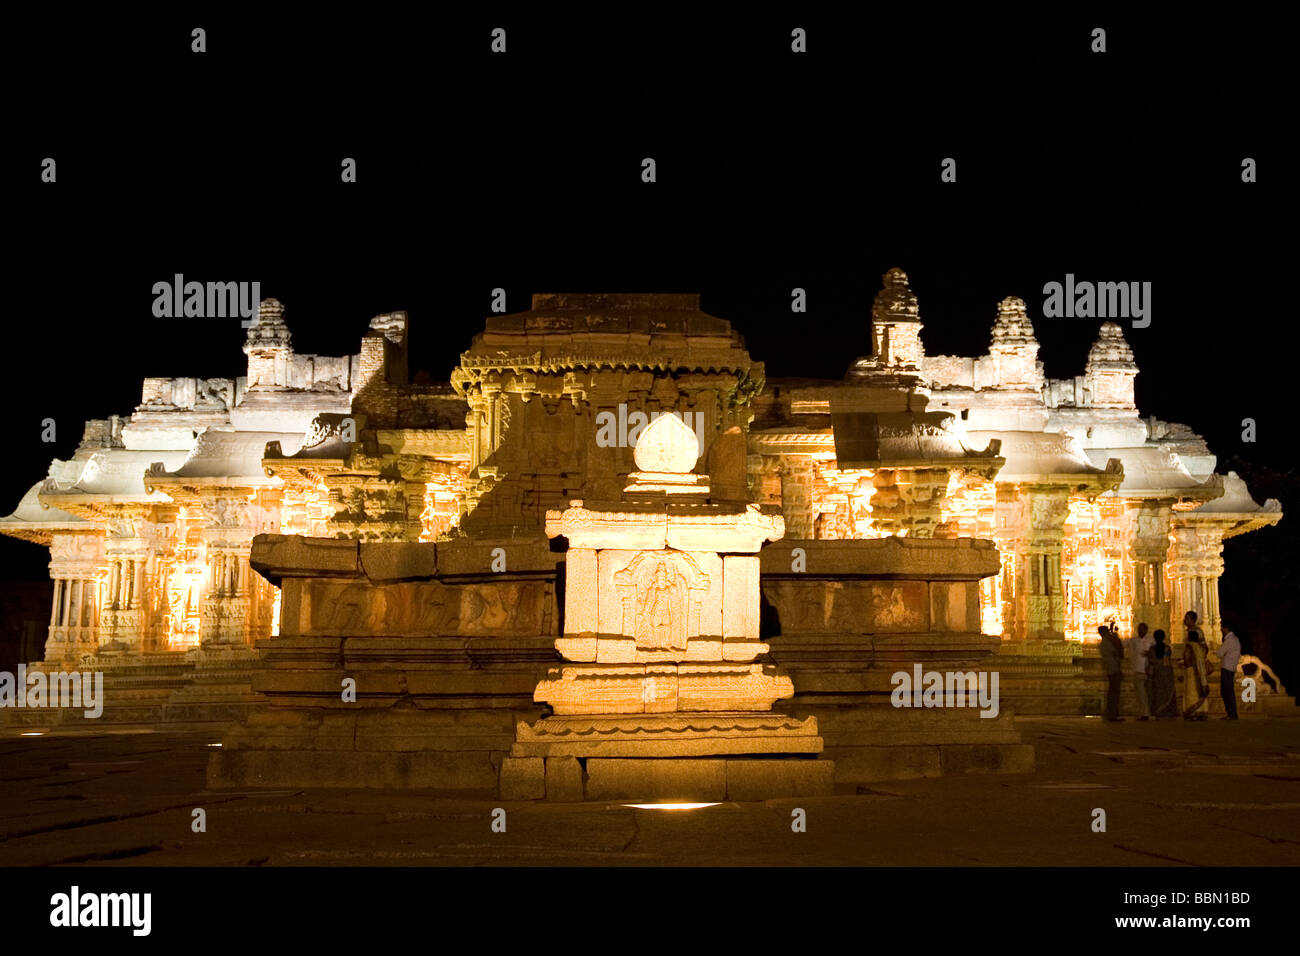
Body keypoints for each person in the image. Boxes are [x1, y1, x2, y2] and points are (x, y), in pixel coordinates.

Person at [1147, 629, 1178, 718]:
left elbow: (1151, 661)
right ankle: (1168, 712)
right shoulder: (1167, 648)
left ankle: (1158, 711)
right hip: (1167, 671)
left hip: (1158, 672)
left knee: (1158, 692)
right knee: (1167, 691)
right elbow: (1167, 659)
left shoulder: (1152, 649)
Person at [1182, 627, 1210, 719]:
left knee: (1191, 692)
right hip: (1201, 672)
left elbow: (1187, 658)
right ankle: (1201, 711)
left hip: (1191, 671)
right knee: (1198, 691)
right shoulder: (1200, 648)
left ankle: (1193, 712)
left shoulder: (1189, 646)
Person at [1098, 624, 1125, 721]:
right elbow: (1117, 654)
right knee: (1114, 692)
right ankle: (1112, 714)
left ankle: (1112, 713)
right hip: (1113, 669)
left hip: (1111, 669)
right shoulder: (1106, 643)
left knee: (1113, 692)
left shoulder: (1104, 643)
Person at [1216, 624, 1242, 720]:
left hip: (1227, 667)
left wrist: (1217, 650)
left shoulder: (1229, 640)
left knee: (1226, 691)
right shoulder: (1235, 639)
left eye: (1222, 627)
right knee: (1228, 690)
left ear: (1226, 628)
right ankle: (1231, 713)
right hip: (1231, 667)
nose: (1221, 629)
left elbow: (1219, 653)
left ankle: (1231, 714)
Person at [1130, 621, 1153, 719]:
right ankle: (1144, 713)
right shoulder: (1133, 640)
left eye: (1142, 629)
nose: (1140, 631)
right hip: (1137, 669)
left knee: (1146, 693)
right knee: (1140, 694)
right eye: (1139, 629)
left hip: (1147, 670)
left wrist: (1150, 654)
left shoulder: (1151, 641)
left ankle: (1146, 713)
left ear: (1146, 630)